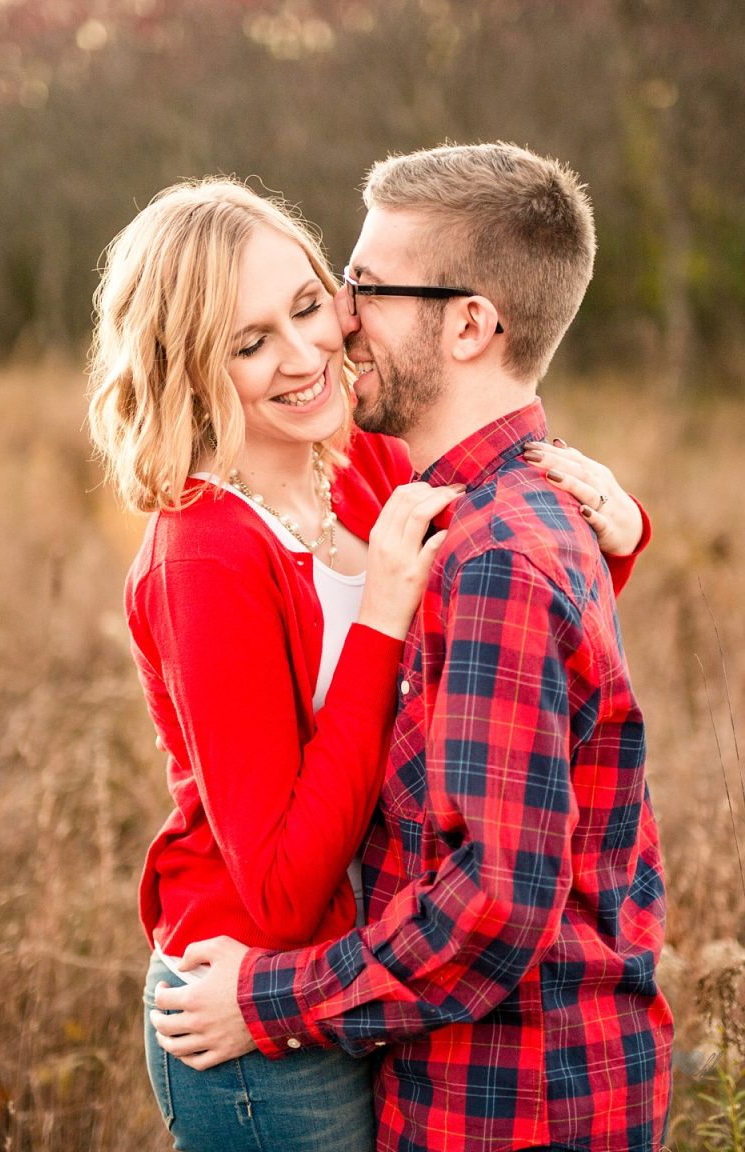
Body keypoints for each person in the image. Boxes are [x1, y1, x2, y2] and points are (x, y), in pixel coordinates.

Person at [150, 145, 673, 1152]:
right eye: (252, 337)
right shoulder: (235, 541)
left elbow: (493, 890)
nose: (333, 330)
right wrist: (265, 997)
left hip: (489, 1072)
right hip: (301, 991)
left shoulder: (414, 492)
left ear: (471, 324)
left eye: (341, 293)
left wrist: (623, 534)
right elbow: (471, 678)